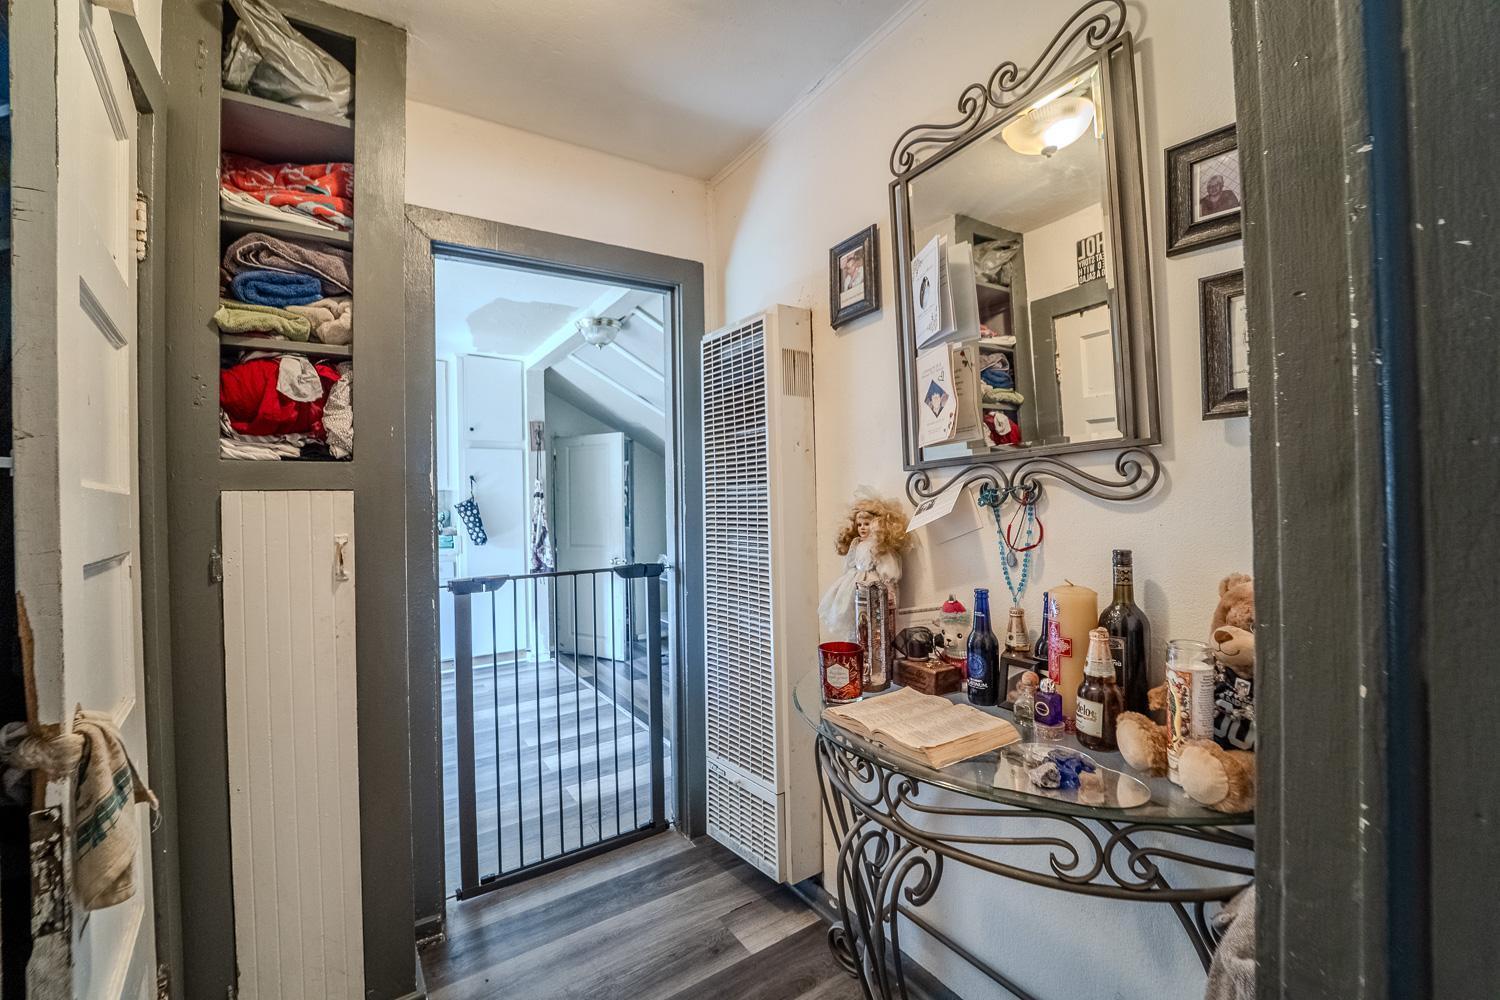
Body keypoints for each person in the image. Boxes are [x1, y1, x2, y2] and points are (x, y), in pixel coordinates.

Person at [817, 491, 911, 639]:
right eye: (859, 524)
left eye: (867, 524)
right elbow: (850, 564)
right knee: (855, 615)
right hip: (854, 582)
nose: (862, 528)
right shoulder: (857, 543)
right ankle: (858, 640)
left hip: (872, 582)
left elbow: (887, 567)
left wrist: (888, 586)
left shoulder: (878, 545)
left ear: (878, 524)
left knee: (873, 615)